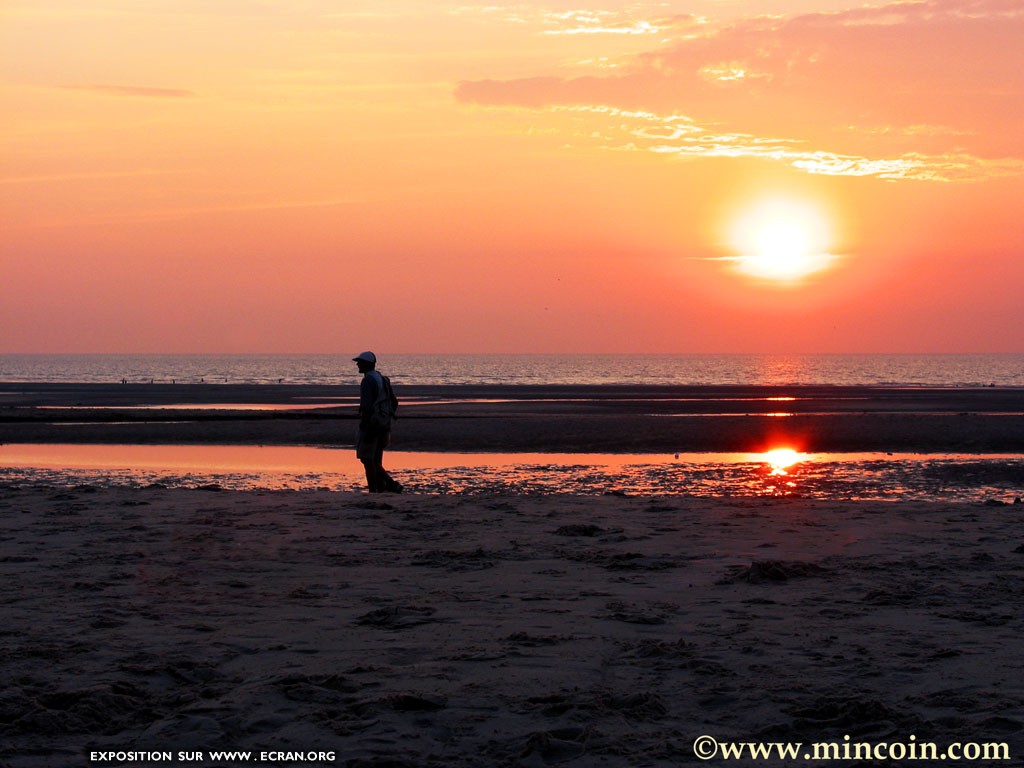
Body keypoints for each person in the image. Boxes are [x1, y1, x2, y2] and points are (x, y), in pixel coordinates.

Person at [352, 351, 402, 493]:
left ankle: (381, 487)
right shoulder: (383, 378)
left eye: (360, 362)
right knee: (376, 460)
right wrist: (386, 417)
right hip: (384, 425)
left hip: (372, 425)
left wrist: (365, 424)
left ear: (367, 364)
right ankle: (381, 489)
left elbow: (367, 406)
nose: (357, 364)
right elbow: (394, 402)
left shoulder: (368, 380)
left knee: (367, 460)